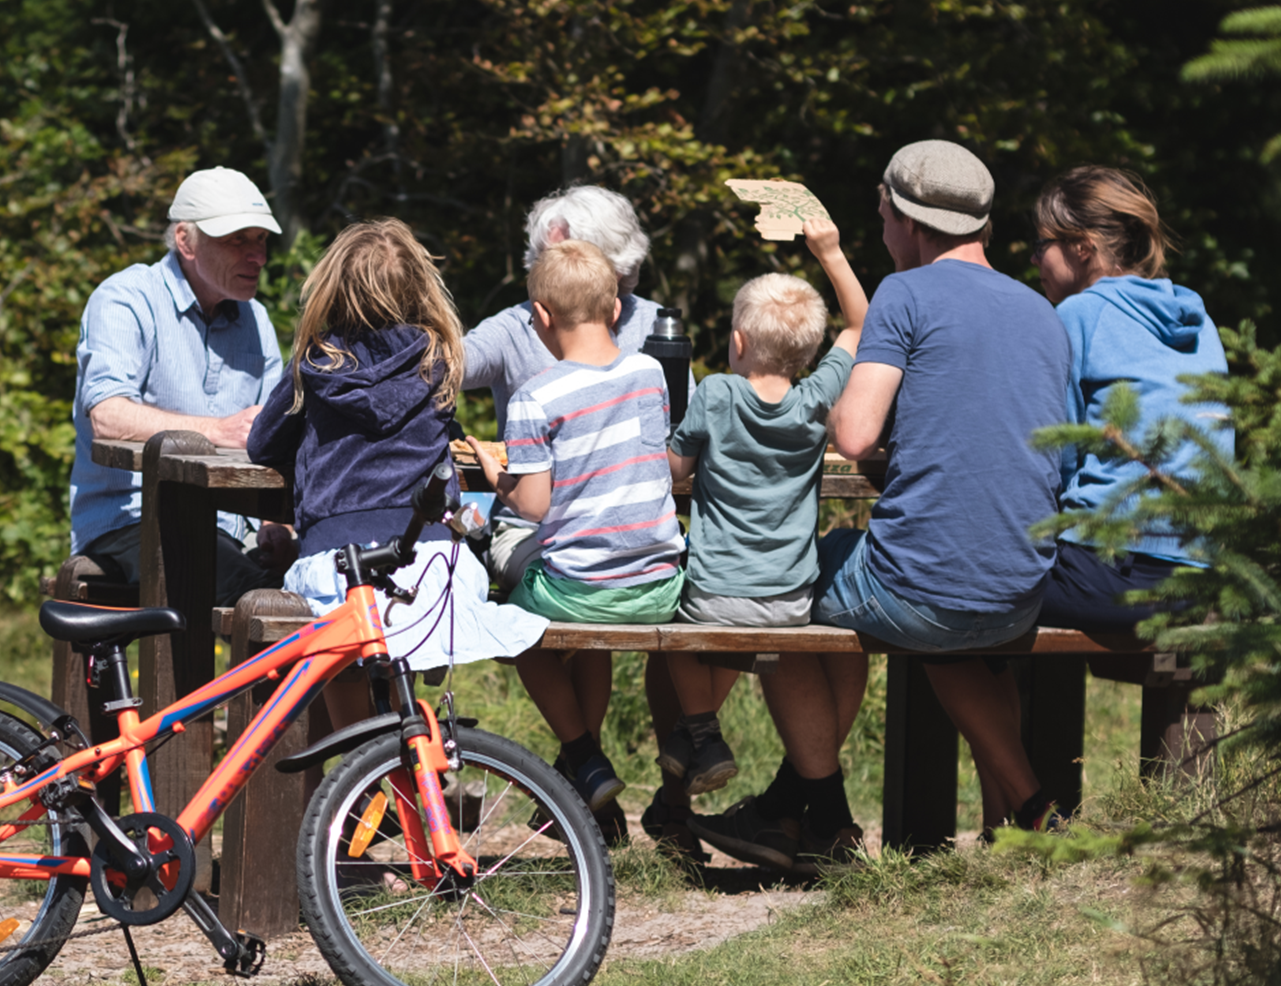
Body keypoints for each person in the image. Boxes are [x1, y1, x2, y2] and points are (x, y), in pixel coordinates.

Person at [691, 140, 1072, 869]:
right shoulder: (1037, 310)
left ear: (907, 221)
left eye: (881, 212)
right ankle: (1018, 807)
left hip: (922, 588)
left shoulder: (905, 293)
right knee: (937, 615)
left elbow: (855, 431)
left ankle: (813, 810)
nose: (880, 228)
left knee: (789, 582)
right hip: (1021, 585)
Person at [938, 166, 1235, 836]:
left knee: (944, 595)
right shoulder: (1191, 312)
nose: (1033, 259)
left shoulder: (1074, 315)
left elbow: (1049, 453)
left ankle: (1020, 816)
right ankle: (1112, 819)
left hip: (1119, 570)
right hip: (1205, 571)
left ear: (1080, 247)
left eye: (1040, 242)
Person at [247, 218, 548, 728]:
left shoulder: (317, 360)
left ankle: (361, 764)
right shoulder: (437, 360)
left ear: (332, 290)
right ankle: (395, 762)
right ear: (421, 287)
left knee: (343, 670)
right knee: (395, 646)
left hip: (337, 564)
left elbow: (262, 444)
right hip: (430, 560)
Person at [650, 221, 867, 867]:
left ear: (737, 340)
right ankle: (794, 799)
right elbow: (860, 325)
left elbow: (674, 473)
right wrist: (830, 250)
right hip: (790, 601)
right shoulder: (814, 400)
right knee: (760, 638)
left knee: (673, 621)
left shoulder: (715, 393)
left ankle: (702, 731)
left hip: (715, 596)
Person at [467, 239, 685, 841]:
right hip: (660, 585)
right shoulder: (650, 373)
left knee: (518, 631)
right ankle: (582, 772)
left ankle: (583, 756)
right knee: (591, 639)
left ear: (539, 316)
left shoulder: (537, 396)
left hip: (582, 585)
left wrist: (496, 476)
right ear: (616, 308)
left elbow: (533, 504)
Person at [69, 166, 290, 606]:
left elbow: (277, 438)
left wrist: (278, 525)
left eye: (261, 239)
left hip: (232, 527)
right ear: (186, 241)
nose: (258, 257)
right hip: (130, 519)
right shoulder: (126, 299)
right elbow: (107, 416)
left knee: (333, 584)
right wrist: (216, 431)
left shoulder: (256, 319)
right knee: (264, 602)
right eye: (237, 240)